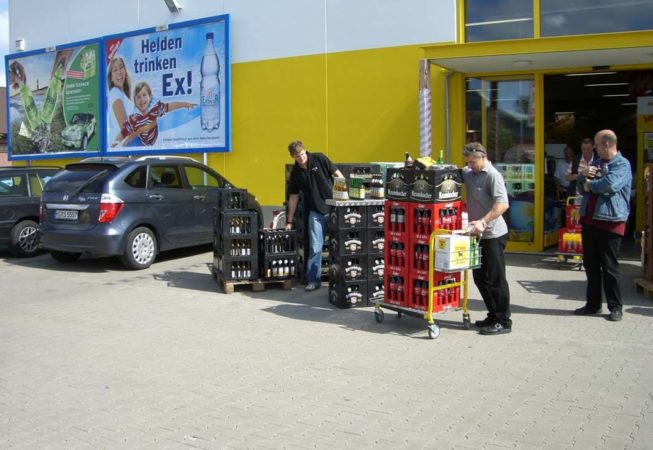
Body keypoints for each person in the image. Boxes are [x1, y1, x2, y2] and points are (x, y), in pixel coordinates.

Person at [573, 130, 632, 322]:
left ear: (606, 144)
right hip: (589, 221)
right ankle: (593, 305)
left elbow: (610, 185)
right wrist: (582, 176)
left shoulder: (622, 165)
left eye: (596, 145)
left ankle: (615, 307)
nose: (595, 149)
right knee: (590, 265)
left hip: (610, 222)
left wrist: (591, 185)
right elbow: (582, 188)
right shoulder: (596, 164)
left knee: (609, 267)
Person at [461, 142, 512, 335]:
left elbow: (503, 204)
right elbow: (448, 174)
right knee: (480, 278)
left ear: (484, 157)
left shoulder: (493, 175)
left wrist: (483, 221)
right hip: (476, 235)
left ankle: (503, 321)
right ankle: (492, 314)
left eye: (473, 161)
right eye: (468, 162)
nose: (470, 165)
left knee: (495, 279)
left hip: (493, 234)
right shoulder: (468, 172)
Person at [285, 141, 344, 291]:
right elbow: (293, 197)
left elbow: (338, 175)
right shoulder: (296, 173)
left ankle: (342, 278)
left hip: (333, 210)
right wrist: (289, 221)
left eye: (302, 154)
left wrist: (343, 198)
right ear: (293, 157)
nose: (301, 158)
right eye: (297, 157)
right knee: (315, 247)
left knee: (339, 246)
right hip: (315, 213)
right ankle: (313, 280)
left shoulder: (319, 158)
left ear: (305, 150)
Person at [111, 81, 196, 147]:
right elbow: (123, 133)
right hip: (142, 142)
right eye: (138, 97)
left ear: (150, 97)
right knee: (128, 143)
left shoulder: (155, 108)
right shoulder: (134, 118)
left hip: (152, 141)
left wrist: (185, 104)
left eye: (144, 95)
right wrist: (113, 146)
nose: (142, 99)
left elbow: (170, 106)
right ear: (134, 101)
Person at [107, 56, 137, 145]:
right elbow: (125, 129)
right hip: (124, 149)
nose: (119, 72)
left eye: (121, 67)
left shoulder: (123, 94)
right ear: (111, 77)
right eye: (115, 70)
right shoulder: (115, 93)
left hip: (125, 147)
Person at [565, 137, 596, 203]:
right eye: (583, 149)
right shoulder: (575, 160)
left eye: (588, 149)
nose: (585, 151)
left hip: (593, 199)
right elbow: (567, 177)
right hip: (577, 198)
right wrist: (577, 176)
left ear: (593, 147)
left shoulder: (598, 159)